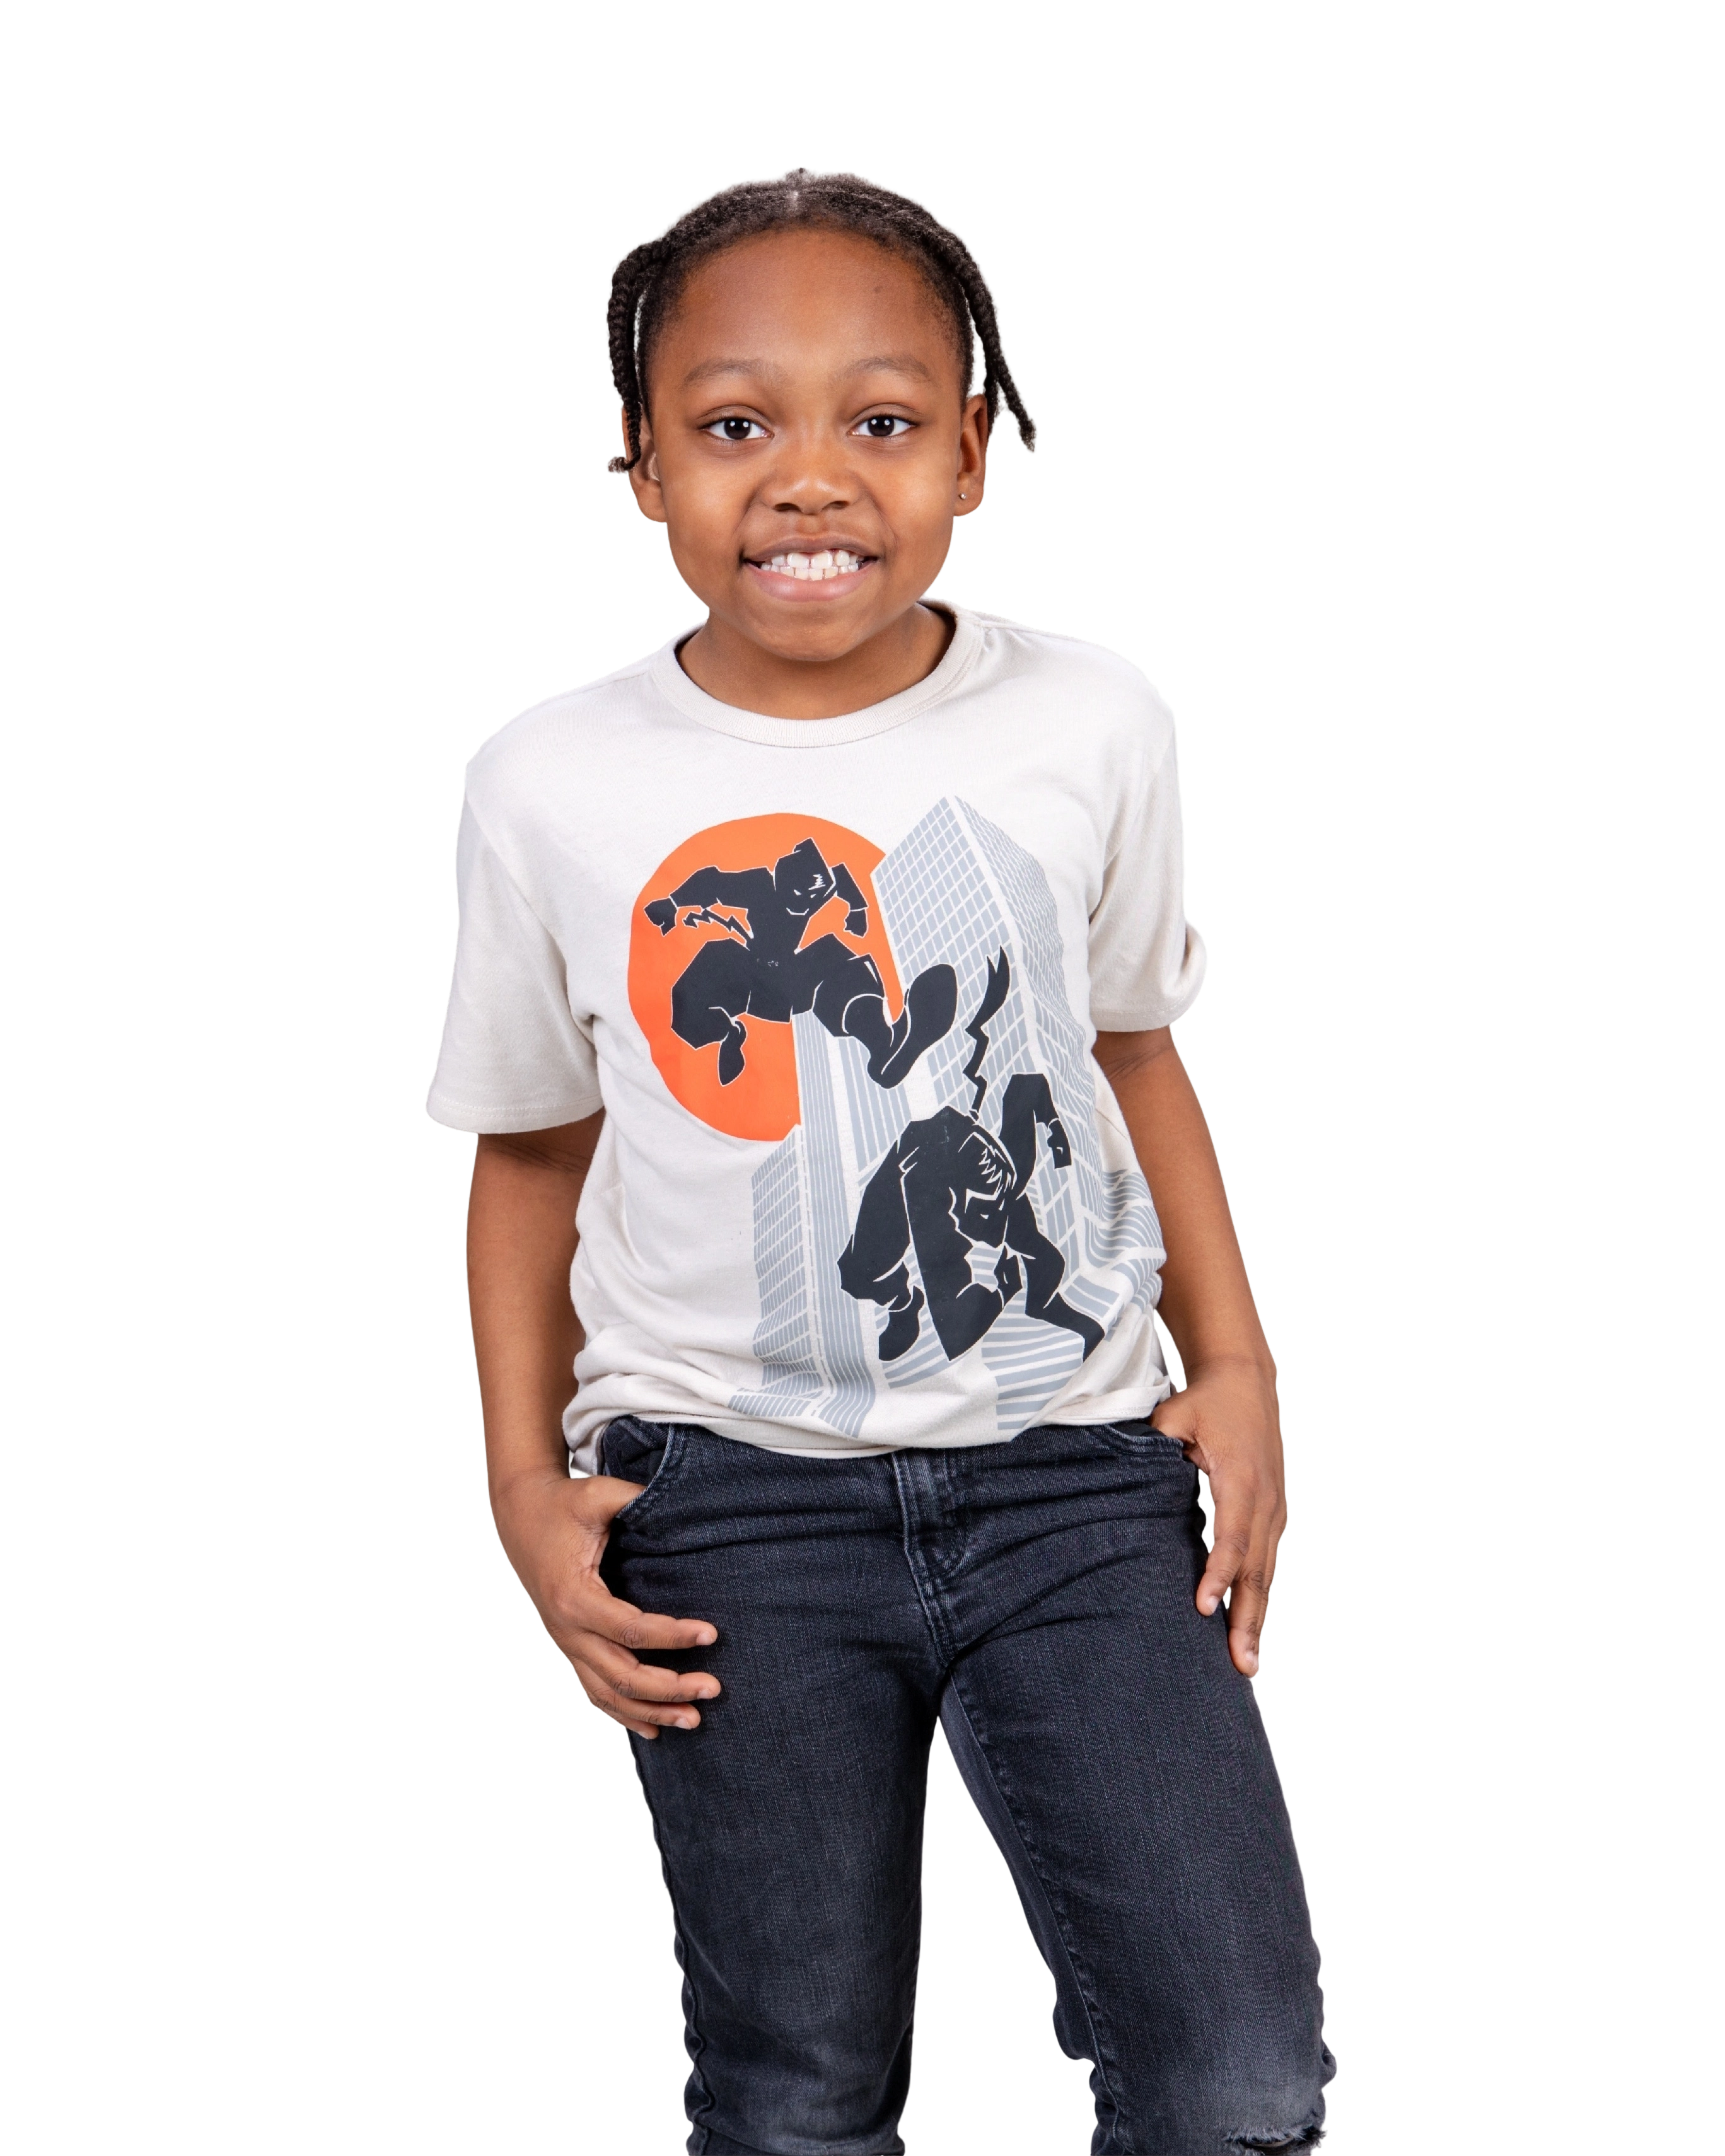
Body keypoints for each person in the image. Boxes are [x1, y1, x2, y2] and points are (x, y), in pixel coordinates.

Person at [425, 165, 1337, 2156]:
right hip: (724, 1505)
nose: (811, 478)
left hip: (1078, 1480)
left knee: (1240, 2077)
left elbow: (1131, 1048)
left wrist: (1239, 1359)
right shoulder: (549, 782)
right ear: (639, 464)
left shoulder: (1090, 721)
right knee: (798, 2092)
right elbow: (530, 1148)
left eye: (886, 418)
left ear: (976, 453)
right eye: (735, 424)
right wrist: (519, 1479)